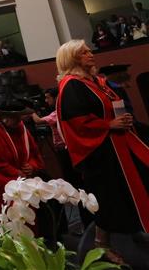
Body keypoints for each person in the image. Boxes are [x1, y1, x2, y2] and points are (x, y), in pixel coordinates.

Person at [55, 40, 149, 265]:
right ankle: (101, 244)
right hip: (100, 154)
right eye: (84, 52)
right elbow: (77, 122)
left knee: (130, 189)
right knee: (108, 199)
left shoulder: (96, 81)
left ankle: (136, 229)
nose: (91, 54)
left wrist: (122, 120)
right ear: (73, 58)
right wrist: (109, 125)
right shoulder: (71, 85)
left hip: (118, 147)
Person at [0, 100, 44, 226]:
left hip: (23, 180)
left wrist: (32, 166)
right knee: (9, 218)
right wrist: (16, 173)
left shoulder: (20, 128)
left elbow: (34, 152)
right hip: (2, 184)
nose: (19, 120)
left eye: (20, 116)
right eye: (15, 117)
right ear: (4, 117)